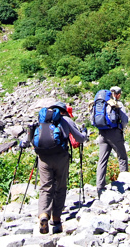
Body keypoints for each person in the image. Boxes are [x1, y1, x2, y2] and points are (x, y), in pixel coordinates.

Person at [27, 101, 88, 235]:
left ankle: (43, 214)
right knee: (60, 187)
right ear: (64, 111)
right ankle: (56, 220)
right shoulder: (66, 120)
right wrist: (85, 133)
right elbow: (80, 139)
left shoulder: (42, 120)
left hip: (43, 158)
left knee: (45, 187)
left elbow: (31, 139)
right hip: (61, 157)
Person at [94, 87, 129, 198]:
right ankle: (125, 183)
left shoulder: (100, 103)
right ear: (118, 94)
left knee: (102, 160)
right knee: (122, 156)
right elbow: (125, 120)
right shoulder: (117, 103)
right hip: (114, 132)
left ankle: (99, 187)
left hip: (101, 133)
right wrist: (120, 128)